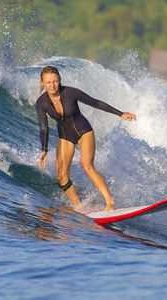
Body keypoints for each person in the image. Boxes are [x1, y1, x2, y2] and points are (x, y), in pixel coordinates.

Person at [35, 66, 136, 212]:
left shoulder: (70, 92)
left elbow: (95, 103)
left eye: (55, 81)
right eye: (48, 82)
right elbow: (44, 128)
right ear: (42, 82)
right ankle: (78, 207)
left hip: (83, 131)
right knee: (62, 178)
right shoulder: (41, 102)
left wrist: (120, 114)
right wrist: (44, 150)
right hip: (65, 136)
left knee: (87, 166)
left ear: (59, 80)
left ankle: (110, 202)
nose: (52, 85)